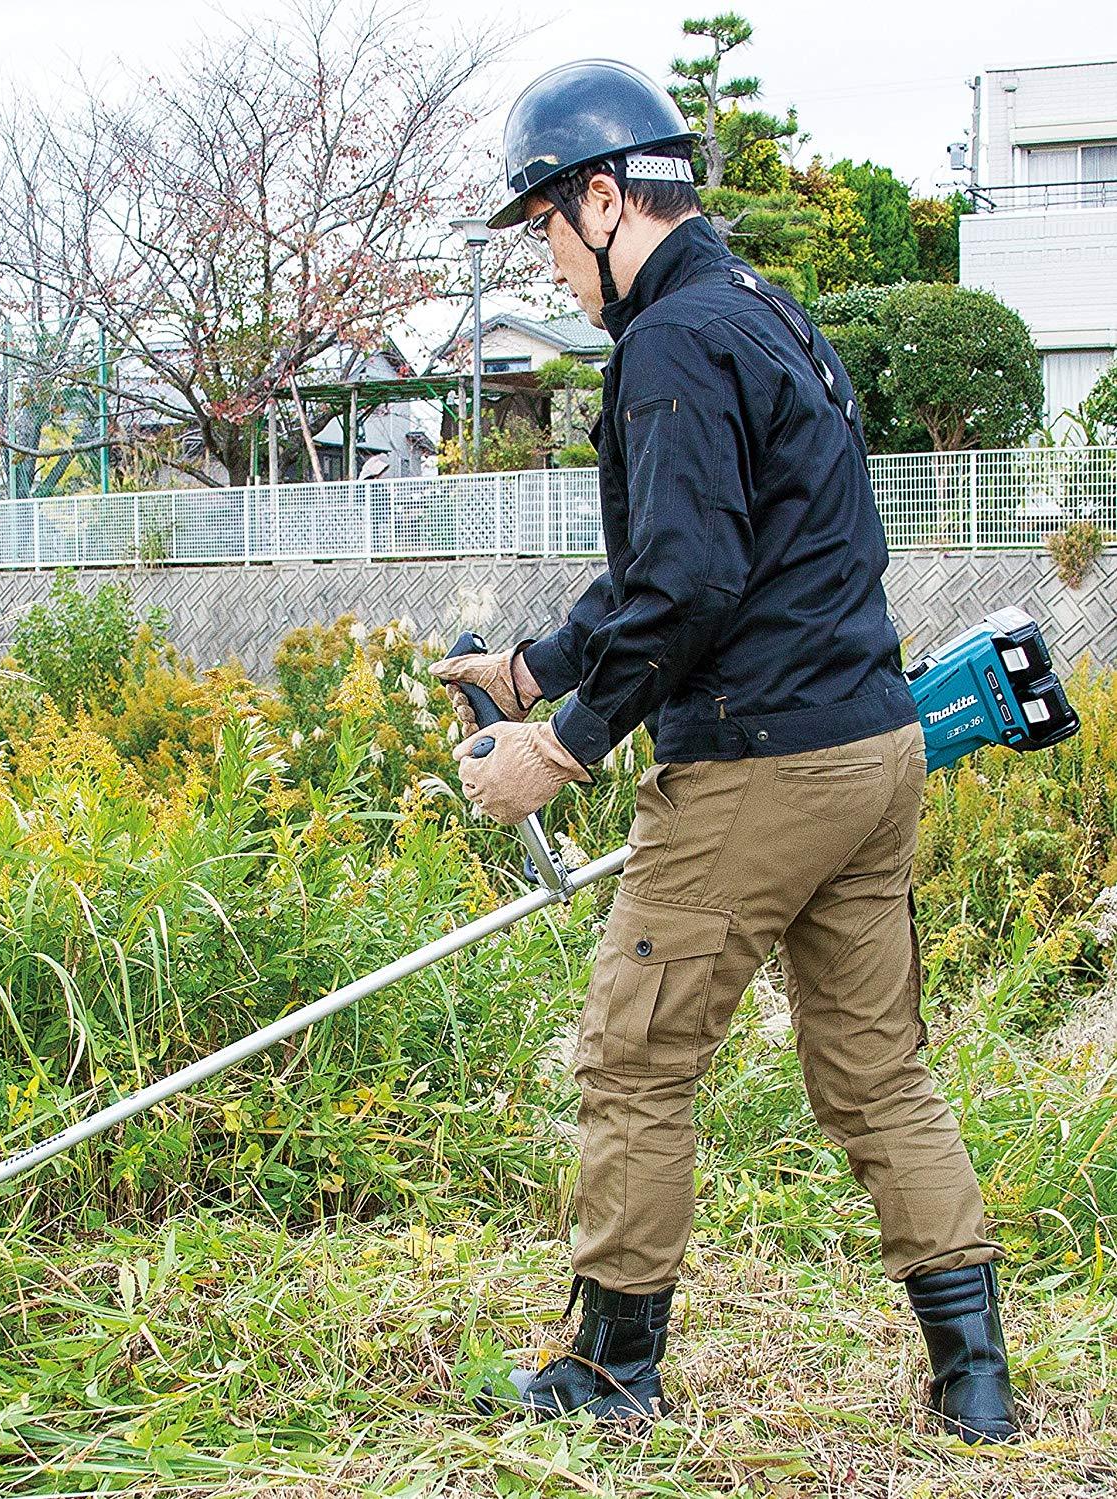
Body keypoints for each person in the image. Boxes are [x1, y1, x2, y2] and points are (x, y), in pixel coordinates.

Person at [428, 58, 1018, 1444]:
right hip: (869, 751)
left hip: (758, 767)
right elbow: (716, 560)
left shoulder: (669, 343)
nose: (551, 260)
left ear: (603, 195)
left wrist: (555, 750)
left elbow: (690, 589)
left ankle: (611, 1370)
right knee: (878, 1071)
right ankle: (977, 1388)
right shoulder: (760, 314)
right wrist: (534, 669)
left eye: (546, 227)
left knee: (632, 1060)